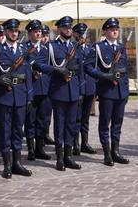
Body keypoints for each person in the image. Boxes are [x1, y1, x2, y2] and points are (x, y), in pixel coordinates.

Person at [0, 18, 33, 179]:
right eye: (11, 30)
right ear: (5, 32)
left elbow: (28, 74)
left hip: (20, 95)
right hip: (3, 96)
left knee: (18, 130)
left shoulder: (23, 50)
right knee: (4, 131)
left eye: (16, 30)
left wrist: (29, 95)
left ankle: (17, 163)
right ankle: (7, 165)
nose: (14, 33)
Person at [38, 16, 84, 171]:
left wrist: (81, 90)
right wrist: (56, 69)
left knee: (71, 125)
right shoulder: (51, 46)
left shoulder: (75, 46)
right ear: (59, 29)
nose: (68, 30)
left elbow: (80, 69)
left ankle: (68, 156)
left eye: (70, 27)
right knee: (60, 125)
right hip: (58, 91)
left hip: (74, 90)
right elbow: (39, 64)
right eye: (65, 27)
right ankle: (59, 157)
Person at [85, 17, 130, 166]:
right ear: (105, 31)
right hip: (106, 91)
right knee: (105, 123)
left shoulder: (121, 48)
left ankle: (115, 152)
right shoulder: (98, 47)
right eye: (112, 29)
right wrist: (104, 76)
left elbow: (126, 69)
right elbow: (88, 67)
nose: (115, 31)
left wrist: (126, 90)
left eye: (116, 29)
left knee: (118, 123)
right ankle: (106, 153)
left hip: (120, 92)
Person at [23, 19, 52, 161]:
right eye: (35, 31)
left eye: (40, 31)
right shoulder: (24, 48)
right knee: (30, 120)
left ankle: (40, 147)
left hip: (45, 88)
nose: (38, 33)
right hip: (32, 88)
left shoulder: (46, 48)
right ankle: (31, 149)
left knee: (43, 120)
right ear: (29, 34)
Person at [73, 23, 97, 155]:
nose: (82, 36)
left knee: (85, 118)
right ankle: (75, 143)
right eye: (80, 34)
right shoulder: (73, 49)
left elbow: (94, 68)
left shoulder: (90, 49)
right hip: (78, 88)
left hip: (90, 87)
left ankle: (85, 143)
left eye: (84, 34)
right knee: (76, 117)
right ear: (75, 34)